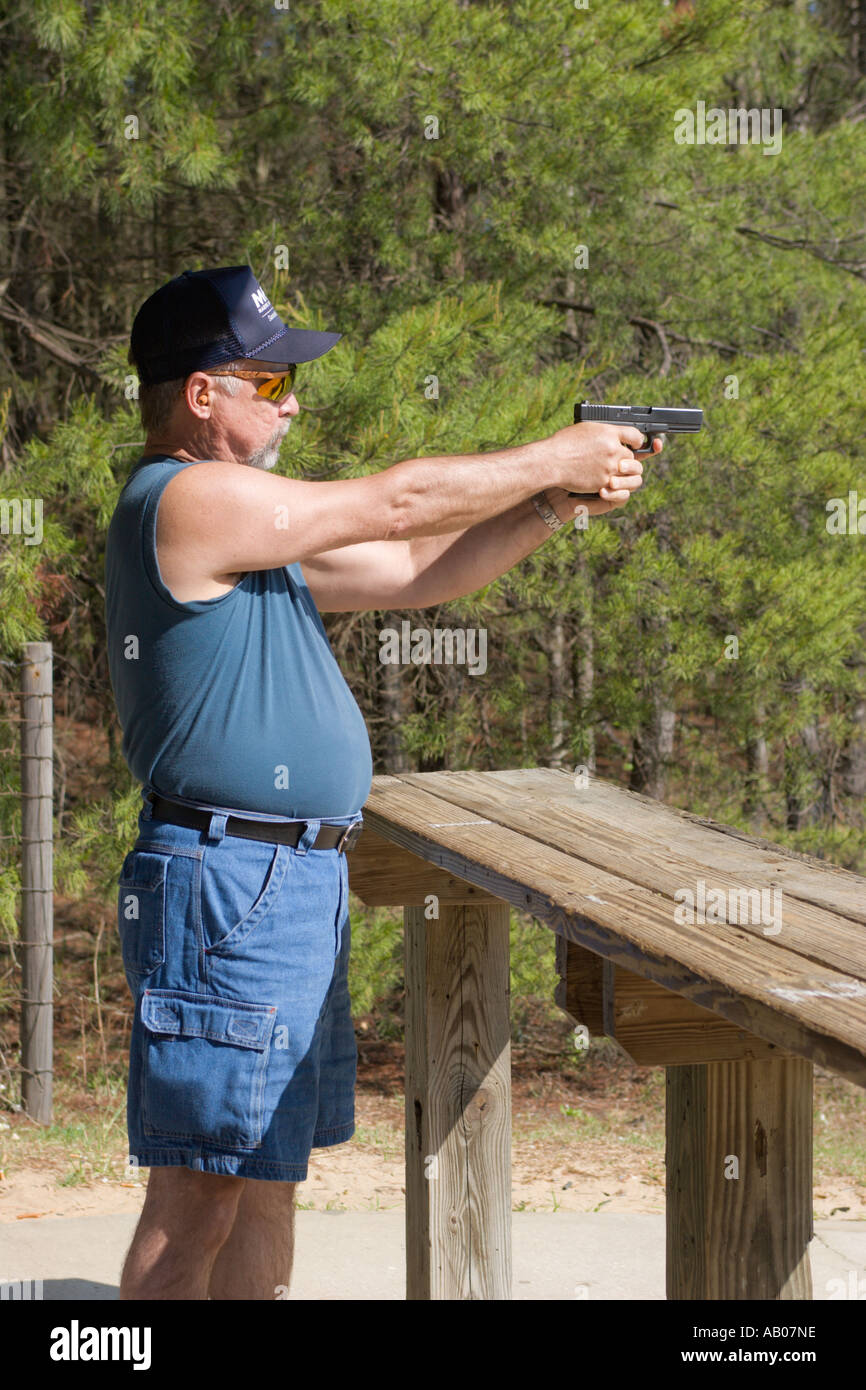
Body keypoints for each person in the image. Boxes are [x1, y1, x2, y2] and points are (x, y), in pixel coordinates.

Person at [104, 264, 652, 1300]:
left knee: (264, 1176)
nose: (293, 401)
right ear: (199, 393)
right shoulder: (190, 498)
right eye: (269, 383)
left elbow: (413, 567)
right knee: (199, 1195)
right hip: (232, 882)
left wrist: (548, 502)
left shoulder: (247, 529)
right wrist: (553, 452)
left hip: (282, 882)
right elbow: (395, 499)